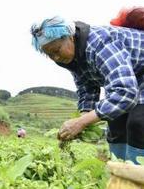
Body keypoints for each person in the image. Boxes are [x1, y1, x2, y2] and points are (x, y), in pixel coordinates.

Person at [30, 16, 144, 164]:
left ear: (70, 37)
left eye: (57, 50)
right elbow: (87, 88)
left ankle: (137, 178)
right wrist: (83, 117)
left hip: (139, 74)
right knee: (115, 121)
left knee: (138, 123)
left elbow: (126, 92)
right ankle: (120, 175)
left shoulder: (100, 45)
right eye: (50, 54)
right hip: (129, 76)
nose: (56, 57)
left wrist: (81, 122)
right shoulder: (74, 59)